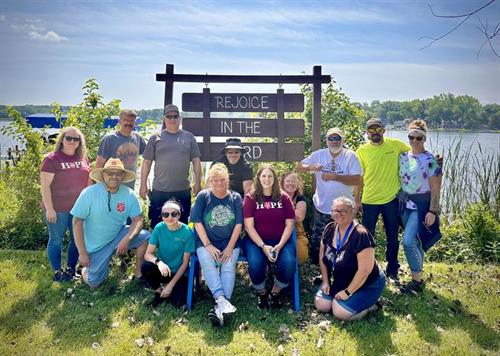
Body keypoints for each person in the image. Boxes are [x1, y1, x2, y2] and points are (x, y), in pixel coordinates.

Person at [71, 158, 150, 288]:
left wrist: (127, 238)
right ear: (103, 174)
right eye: (110, 173)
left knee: (146, 237)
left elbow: (138, 219)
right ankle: (85, 271)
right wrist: (82, 252)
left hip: (118, 235)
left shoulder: (129, 194)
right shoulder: (88, 193)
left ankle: (138, 274)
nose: (114, 176)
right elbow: (77, 222)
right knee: (95, 283)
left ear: (123, 176)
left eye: (118, 173)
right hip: (96, 246)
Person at [355, 118, 411, 281]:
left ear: (383, 130)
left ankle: (392, 268)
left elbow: (415, 153)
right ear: (367, 132)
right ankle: (369, 269)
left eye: (377, 129)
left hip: (391, 200)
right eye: (371, 129)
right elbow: (359, 179)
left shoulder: (395, 145)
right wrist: (357, 200)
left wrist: (433, 160)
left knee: (392, 236)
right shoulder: (362, 151)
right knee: (367, 237)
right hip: (369, 201)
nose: (374, 132)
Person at [314, 196, 385, 321]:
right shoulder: (329, 229)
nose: (339, 214)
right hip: (342, 280)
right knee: (322, 305)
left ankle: (370, 306)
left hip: (367, 284)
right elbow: (322, 257)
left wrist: (347, 292)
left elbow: (365, 271)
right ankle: (349, 302)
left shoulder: (361, 235)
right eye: (335, 211)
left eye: (343, 211)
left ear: (352, 213)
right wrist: (325, 281)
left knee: (339, 312)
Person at [297, 127, 361, 264]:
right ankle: (317, 266)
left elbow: (357, 179)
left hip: (344, 208)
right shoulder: (319, 154)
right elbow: (299, 167)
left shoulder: (351, 156)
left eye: (337, 138)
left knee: (344, 239)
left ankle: (340, 266)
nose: (334, 141)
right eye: (331, 138)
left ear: (342, 140)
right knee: (318, 238)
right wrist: (311, 167)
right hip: (322, 206)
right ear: (326, 140)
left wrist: (335, 177)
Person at [191, 163, 243, 326]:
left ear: (228, 180)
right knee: (207, 262)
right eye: (215, 180)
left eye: (222, 180)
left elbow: (238, 225)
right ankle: (222, 301)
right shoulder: (203, 196)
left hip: (230, 242)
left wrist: (229, 247)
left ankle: (221, 306)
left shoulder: (235, 197)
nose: (219, 183)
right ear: (210, 181)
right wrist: (207, 245)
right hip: (206, 242)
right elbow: (197, 222)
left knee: (228, 266)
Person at [40, 127, 90, 282]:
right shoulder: (51, 159)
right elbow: (45, 186)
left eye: (76, 139)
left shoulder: (83, 158)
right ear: (62, 139)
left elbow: (88, 182)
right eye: (69, 138)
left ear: (79, 142)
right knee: (56, 239)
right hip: (58, 208)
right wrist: (50, 209)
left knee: (76, 240)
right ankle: (57, 272)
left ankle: (70, 269)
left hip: (78, 209)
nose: (72, 142)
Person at [398, 120, 442, 293]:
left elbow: (436, 189)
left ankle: (417, 282)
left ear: (424, 139)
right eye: (411, 137)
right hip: (404, 204)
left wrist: (433, 211)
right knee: (415, 241)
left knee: (408, 241)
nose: (415, 141)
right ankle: (418, 275)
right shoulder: (402, 156)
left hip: (422, 205)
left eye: (419, 138)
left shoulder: (431, 160)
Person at [243, 164, 295, 309]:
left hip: (281, 240)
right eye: (263, 176)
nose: (267, 179)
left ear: (275, 179)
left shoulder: (283, 197)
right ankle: (262, 292)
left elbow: (290, 224)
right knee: (255, 263)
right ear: (258, 178)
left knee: (289, 262)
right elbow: (248, 226)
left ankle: (275, 292)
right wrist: (263, 246)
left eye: (270, 176)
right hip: (256, 241)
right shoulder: (251, 198)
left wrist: (280, 245)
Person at [140, 104, 202, 226]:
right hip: (159, 189)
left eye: (175, 116)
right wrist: (143, 185)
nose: (172, 119)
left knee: (182, 222)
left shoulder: (189, 137)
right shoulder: (155, 138)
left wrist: (198, 183)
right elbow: (146, 162)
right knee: (157, 223)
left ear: (180, 118)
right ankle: (156, 245)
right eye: (169, 116)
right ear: (164, 119)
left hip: (182, 189)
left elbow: (196, 161)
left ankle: (180, 245)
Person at [141, 200, 194, 307]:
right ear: (162, 216)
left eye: (174, 214)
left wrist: (171, 285)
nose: (170, 217)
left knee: (178, 303)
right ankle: (158, 291)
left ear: (179, 215)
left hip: (179, 273)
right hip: (163, 271)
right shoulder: (159, 228)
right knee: (146, 266)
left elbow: (185, 263)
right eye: (166, 214)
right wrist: (159, 262)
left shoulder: (187, 232)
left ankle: (168, 288)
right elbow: (147, 254)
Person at [95, 109, 146, 190]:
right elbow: (99, 163)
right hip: (110, 186)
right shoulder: (109, 138)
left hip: (130, 186)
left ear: (135, 123)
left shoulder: (138, 138)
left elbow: (148, 157)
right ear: (119, 122)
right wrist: (98, 187)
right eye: (125, 120)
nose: (129, 123)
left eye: (132, 121)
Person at [280, 171, 309, 265]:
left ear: (298, 184)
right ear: (282, 183)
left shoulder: (300, 198)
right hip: (278, 232)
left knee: (301, 256)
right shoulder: (276, 196)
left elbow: (299, 217)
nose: (291, 184)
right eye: (288, 181)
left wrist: (282, 210)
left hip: (297, 233)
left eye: (294, 181)